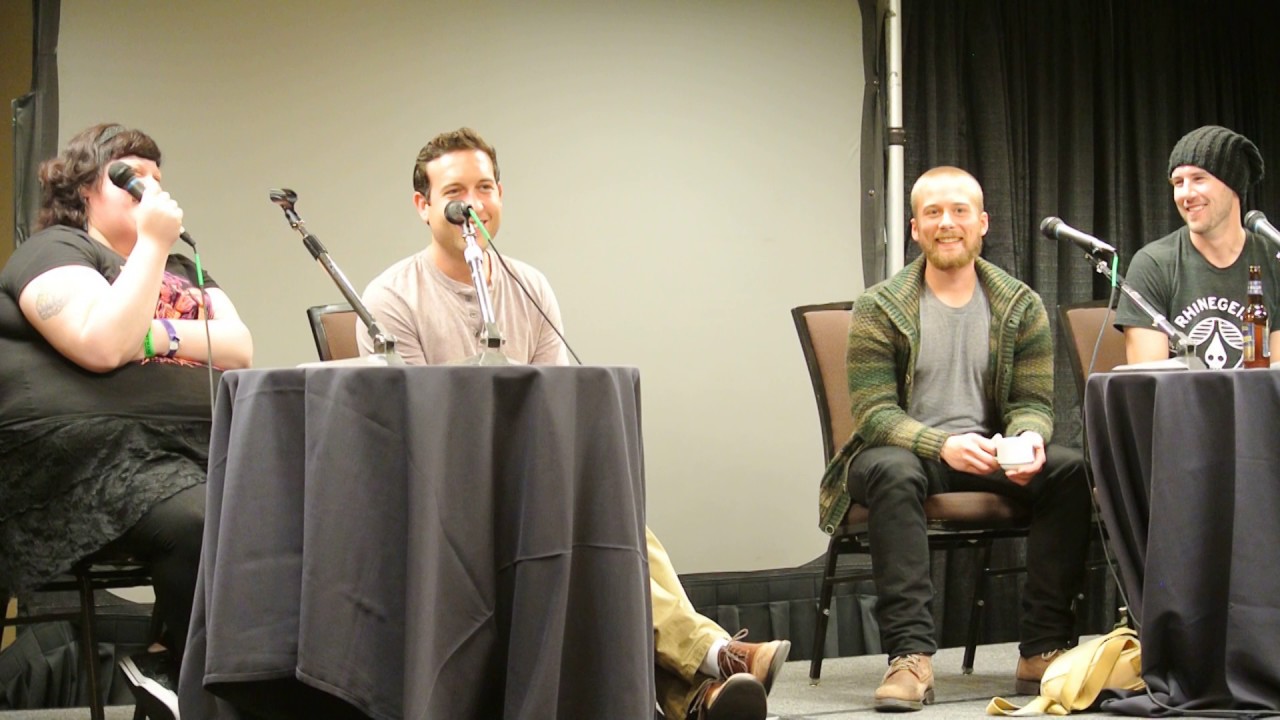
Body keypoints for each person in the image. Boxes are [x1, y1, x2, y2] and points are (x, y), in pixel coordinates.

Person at [357, 127, 789, 720]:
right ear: (423, 206)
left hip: (527, 483)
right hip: (441, 497)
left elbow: (555, 411)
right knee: (592, 527)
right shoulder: (389, 299)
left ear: (501, 197)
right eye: (455, 191)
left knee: (610, 515)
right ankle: (714, 659)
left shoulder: (528, 287)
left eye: (485, 188)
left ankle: (704, 686)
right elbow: (408, 429)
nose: (473, 204)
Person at [0, 123, 253, 718]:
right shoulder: (56, 250)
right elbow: (100, 342)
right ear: (85, 188)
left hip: (192, 449)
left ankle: (208, 675)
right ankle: (180, 670)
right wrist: (152, 250)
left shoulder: (186, 267)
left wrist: (154, 332)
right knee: (199, 520)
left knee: (270, 507)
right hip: (101, 462)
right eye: (128, 178)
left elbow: (239, 345)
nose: (148, 191)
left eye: (156, 181)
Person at [816, 166, 1091, 711]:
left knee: (1069, 470)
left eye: (960, 211)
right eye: (934, 213)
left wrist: (1028, 439)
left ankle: (1041, 650)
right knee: (894, 471)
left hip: (983, 450)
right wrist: (940, 445)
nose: (948, 223)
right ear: (916, 228)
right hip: (896, 454)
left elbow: (1031, 404)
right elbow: (872, 414)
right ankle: (911, 658)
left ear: (982, 223)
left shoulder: (1018, 304)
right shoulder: (880, 306)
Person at [1116, 125, 1279, 367]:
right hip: (1181, 405)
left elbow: (1276, 376)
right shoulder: (1154, 263)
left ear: (1233, 186)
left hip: (1258, 404)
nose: (1186, 194)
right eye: (1178, 182)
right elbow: (1148, 386)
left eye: (1199, 179)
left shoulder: (1272, 259)